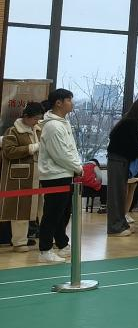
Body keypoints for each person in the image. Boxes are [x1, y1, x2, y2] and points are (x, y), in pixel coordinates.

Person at [36, 89, 83, 263]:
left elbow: (70, 149)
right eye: (69, 100)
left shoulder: (63, 123)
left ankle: (62, 244)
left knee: (63, 213)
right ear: (58, 103)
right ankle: (45, 249)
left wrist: (76, 166)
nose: (72, 103)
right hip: (54, 175)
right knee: (52, 214)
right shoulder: (53, 126)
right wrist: (77, 167)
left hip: (65, 173)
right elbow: (60, 154)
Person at [2, 102, 44, 253]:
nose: (37, 121)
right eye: (35, 118)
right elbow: (8, 151)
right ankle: (19, 242)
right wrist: (31, 148)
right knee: (20, 209)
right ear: (26, 116)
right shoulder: (13, 131)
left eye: (39, 118)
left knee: (43, 208)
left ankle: (47, 238)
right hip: (20, 177)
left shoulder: (39, 130)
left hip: (40, 174)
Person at [104, 99, 138, 237]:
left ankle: (121, 224)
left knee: (120, 194)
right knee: (116, 195)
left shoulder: (126, 122)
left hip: (120, 160)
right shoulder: (130, 124)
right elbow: (133, 146)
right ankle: (115, 227)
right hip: (118, 160)